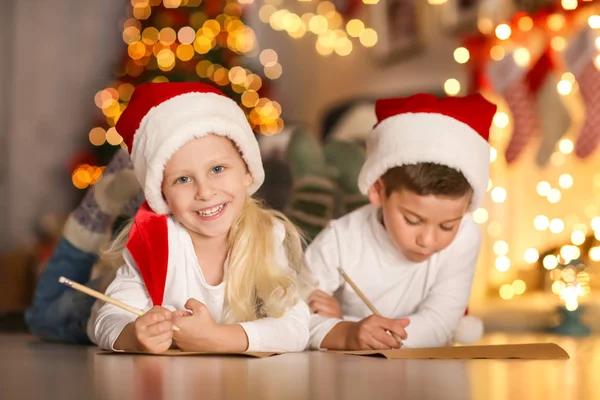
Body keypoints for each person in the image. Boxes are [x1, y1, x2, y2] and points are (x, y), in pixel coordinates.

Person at [305, 93, 496, 350]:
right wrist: (347, 331)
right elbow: (293, 317)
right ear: (378, 191)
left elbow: (440, 323)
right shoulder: (340, 239)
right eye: (412, 220)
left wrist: (344, 325)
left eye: (447, 226)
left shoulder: (465, 235)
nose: (427, 240)